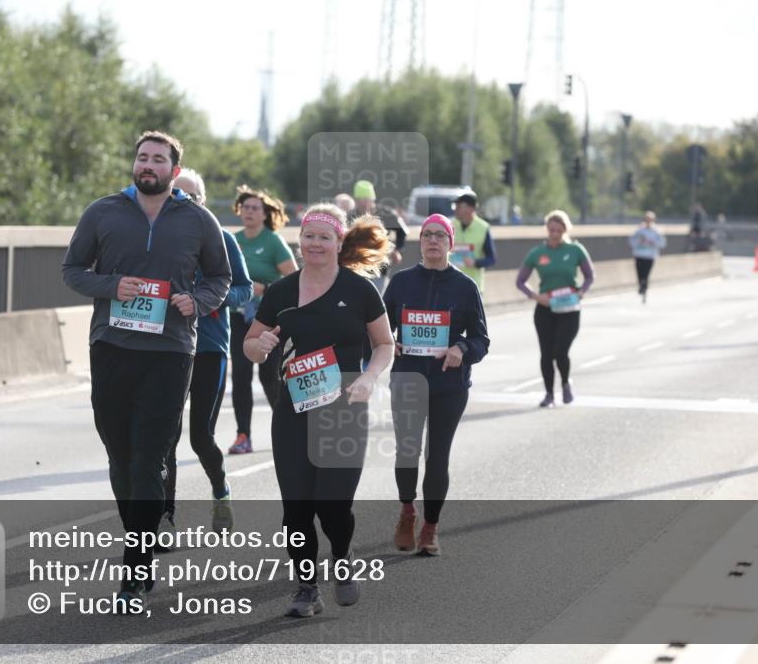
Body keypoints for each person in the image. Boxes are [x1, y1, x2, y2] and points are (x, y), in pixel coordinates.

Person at [62, 131, 231, 612]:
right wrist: (112, 285)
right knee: (120, 457)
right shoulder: (103, 212)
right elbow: (73, 270)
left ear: (174, 171)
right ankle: (140, 536)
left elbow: (220, 277)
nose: (148, 165)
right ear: (134, 164)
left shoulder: (198, 220)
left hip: (170, 352)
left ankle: (135, 568)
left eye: (158, 159)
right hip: (111, 346)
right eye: (142, 158)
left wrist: (196, 301)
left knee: (149, 460)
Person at [243, 204, 394, 618]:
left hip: (344, 411)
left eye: (324, 237)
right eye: (308, 236)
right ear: (300, 240)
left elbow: (384, 344)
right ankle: (306, 588)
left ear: (339, 242)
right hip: (293, 412)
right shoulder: (280, 292)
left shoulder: (360, 291)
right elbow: (251, 344)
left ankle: (342, 557)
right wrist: (259, 347)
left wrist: (369, 377)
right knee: (296, 510)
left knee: (333, 506)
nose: (315, 244)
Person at [383, 214, 490, 556]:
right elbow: (378, 326)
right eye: (427, 235)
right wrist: (388, 342)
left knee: (437, 456)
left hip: (449, 385)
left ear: (450, 243)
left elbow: (481, 340)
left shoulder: (465, 286)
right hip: (408, 378)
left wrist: (461, 349)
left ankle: (430, 528)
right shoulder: (401, 282)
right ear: (420, 242)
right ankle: (407, 512)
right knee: (406, 452)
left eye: (440, 236)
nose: (432, 240)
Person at [161, 169, 253, 536]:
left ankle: (220, 490)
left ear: (203, 201)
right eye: (175, 196)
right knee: (165, 437)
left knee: (200, 437)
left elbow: (244, 289)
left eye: (192, 197)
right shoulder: (157, 237)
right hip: (166, 347)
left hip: (209, 348)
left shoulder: (222, 239)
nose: (183, 204)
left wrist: (206, 299)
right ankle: (165, 517)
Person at [228, 186, 298, 455]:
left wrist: (266, 288)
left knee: (270, 377)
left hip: (268, 320)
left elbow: (294, 280)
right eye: (245, 207)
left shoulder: (273, 242)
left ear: (265, 213)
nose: (249, 212)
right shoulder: (232, 240)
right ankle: (243, 435)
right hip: (238, 317)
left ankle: (288, 429)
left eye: (255, 208)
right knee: (240, 376)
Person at [515, 210, 595, 408]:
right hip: (546, 308)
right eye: (551, 230)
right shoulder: (537, 253)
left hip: (569, 308)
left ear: (565, 230)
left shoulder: (576, 250)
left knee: (560, 351)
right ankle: (549, 393)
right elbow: (520, 281)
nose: (555, 234)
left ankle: (566, 383)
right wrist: (536, 296)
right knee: (546, 353)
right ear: (547, 230)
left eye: (559, 230)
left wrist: (581, 292)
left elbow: (589, 276)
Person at [348, 179, 409, 294]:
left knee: (378, 298)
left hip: (380, 269)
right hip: (356, 268)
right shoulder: (350, 216)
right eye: (359, 200)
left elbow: (402, 231)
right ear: (355, 200)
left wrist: (396, 249)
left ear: (373, 199)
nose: (363, 203)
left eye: (366, 199)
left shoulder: (385, 214)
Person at [450, 191, 496, 293]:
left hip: (473, 288)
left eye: (459, 207)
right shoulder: (450, 225)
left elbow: (491, 259)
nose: (455, 209)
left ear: (470, 209)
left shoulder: (483, 228)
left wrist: (475, 262)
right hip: (451, 285)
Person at [629, 211, 667, 303]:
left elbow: (662, 243)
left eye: (650, 220)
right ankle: (641, 286)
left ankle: (644, 291)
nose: (648, 221)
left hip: (650, 256)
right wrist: (640, 241)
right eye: (647, 219)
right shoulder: (639, 230)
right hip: (639, 255)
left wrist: (652, 243)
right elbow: (632, 241)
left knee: (646, 274)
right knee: (639, 273)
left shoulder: (656, 231)